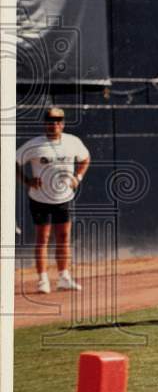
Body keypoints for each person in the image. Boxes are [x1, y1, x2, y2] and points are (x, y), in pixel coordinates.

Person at [15, 107, 90, 294]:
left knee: (64, 238)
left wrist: (77, 177)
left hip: (63, 198)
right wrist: (27, 180)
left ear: (62, 124)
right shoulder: (34, 145)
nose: (54, 125)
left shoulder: (73, 142)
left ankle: (64, 277)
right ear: (45, 124)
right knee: (43, 238)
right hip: (40, 198)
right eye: (50, 121)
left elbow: (85, 158)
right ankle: (43, 280)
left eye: (57, 121)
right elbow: (13, 161)